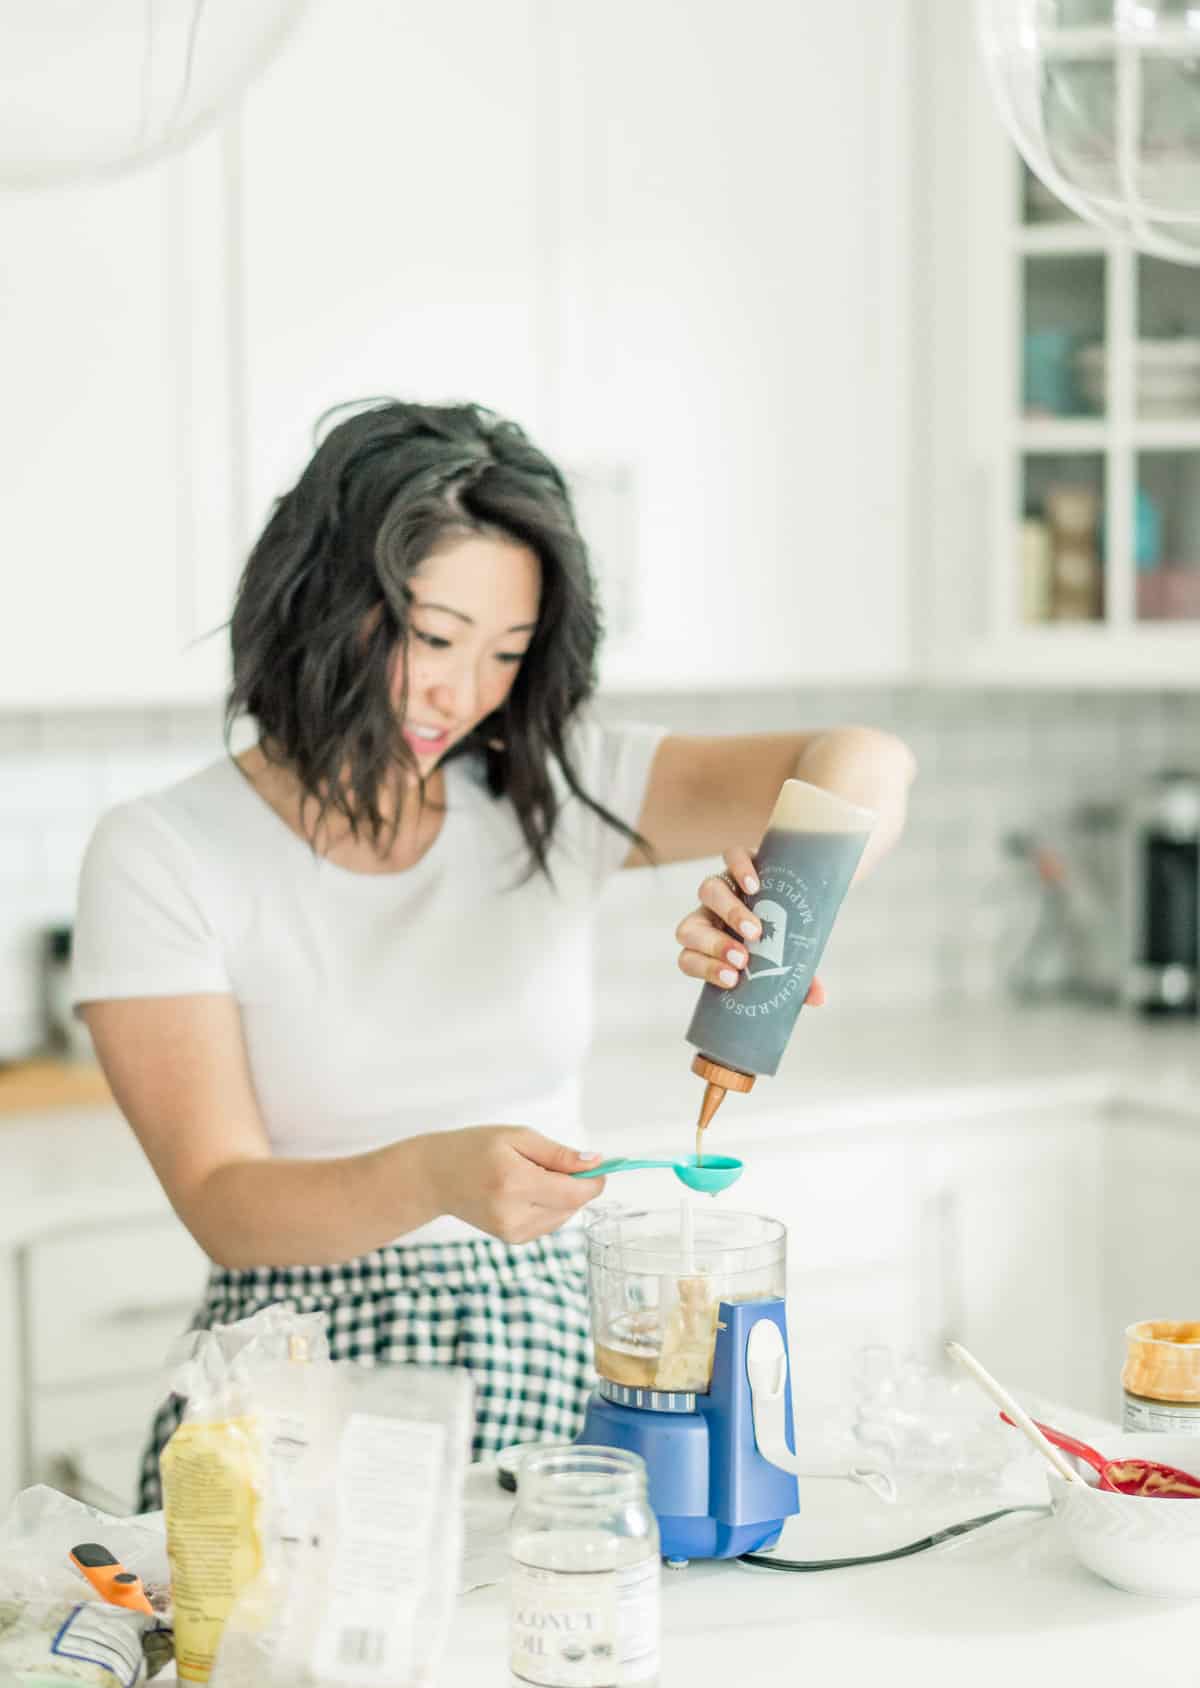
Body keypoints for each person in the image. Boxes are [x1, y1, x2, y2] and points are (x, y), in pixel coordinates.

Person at [71, 399, 916, 1509]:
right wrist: (433, 1176)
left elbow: (863, 758)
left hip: (563, 1360)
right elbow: (224, 1201)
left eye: (504, 655)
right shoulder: (164, 850)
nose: (458, 694)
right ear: (318, 598)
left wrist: (789, 905)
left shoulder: (553, 788)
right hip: (297, 1387)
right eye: (430, 638)